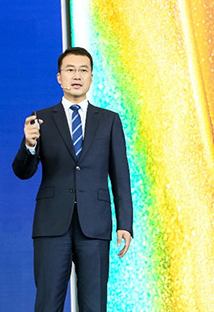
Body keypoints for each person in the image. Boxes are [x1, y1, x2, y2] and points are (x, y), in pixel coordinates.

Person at [12, 46, 133, 312]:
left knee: (94, 305)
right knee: (48, 303)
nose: (76, 75)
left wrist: (125, 223)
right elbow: (22, 172)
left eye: (83, 70)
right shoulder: (41, 119)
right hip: (51, 224)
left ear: (91, 77)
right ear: (59, 77)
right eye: (70, 70)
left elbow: (120, 176)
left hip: (95, 224)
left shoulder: (109, 120)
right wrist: (29, 145)